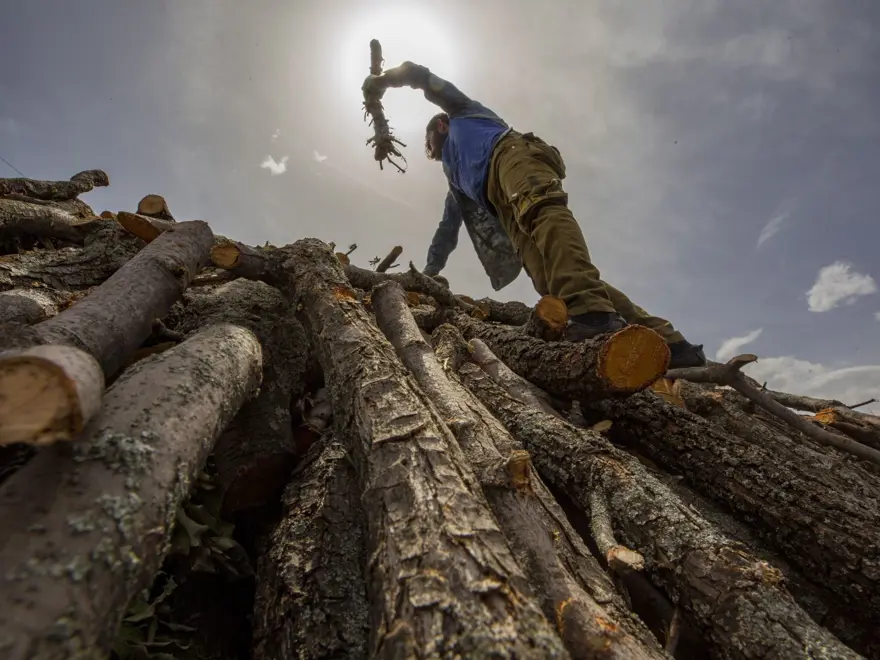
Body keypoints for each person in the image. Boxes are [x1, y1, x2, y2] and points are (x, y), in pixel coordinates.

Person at [363, 62, 706, 368]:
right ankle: (669, 343)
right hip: (499, 203)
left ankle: (593, 314)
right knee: (548, 277)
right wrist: (428, 274)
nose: (433, 154)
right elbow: (447, 229)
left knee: (542, 214)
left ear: (440, 126)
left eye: (431, 146)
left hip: (509, 156)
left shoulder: (463, 112)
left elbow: (421, 76)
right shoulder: (455, 179)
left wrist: (383, 81)